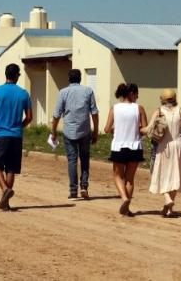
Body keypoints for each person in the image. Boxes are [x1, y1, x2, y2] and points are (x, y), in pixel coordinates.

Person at [0, 63, 32, 211]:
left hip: (0, 134)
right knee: (11, 168)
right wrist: (19, 126)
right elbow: (30, 117)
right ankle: (5, 203)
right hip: (16, 136)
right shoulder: (23, 93)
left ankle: (5, 189)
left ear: (6, 75)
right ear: (17, 75)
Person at [51, 69, 99, 200]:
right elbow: (94, 113)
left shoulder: (63, 92)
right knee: (85, 159)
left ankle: (73, 191)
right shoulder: (88, 91)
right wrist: (95, 131)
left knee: (72, 160)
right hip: (85, 131)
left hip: (69, 131)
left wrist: (53, 131)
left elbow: (56, 115)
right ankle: (84, 187)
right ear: (80, 78)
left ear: (69, 79)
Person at [103, 83, 147, 216]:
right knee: (130, 178)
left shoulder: (114, 108)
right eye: (136, 93)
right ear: (131, 94)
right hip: (135, 146)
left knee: (117, 175)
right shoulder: (139, 109)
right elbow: (143, 129)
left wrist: (116, 129)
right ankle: (127, 208)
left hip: (119, 146)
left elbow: (106, 129)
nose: (137, 96)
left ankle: (124, 198)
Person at [148, 89, 181, 217]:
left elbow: (149, 128)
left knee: (162, 174)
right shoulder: (180, 110)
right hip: (178, 145)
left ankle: (167, 199)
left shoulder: (159, 111)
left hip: (163, 146)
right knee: (176, 174)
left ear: (162, 99)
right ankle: (169, 209)